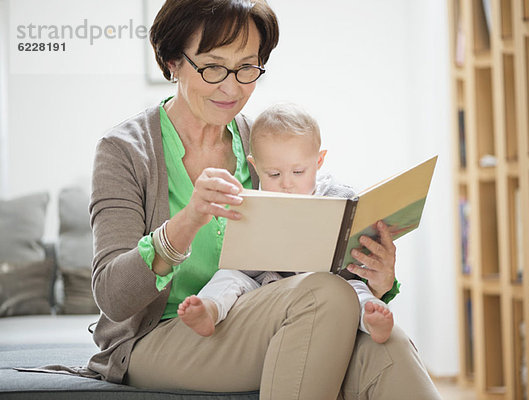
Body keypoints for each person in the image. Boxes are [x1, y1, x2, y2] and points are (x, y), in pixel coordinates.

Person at [87, 0, 442, 398]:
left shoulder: (266, 143)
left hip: (269, 317)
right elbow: (113, 298)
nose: (232, 86)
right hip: (159, 338)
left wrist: (378, 278)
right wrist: (187, 222)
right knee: (323, 295)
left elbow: (316, 236)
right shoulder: (125, 151)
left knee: (386, 343)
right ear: (172, 60)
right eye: (213, 66)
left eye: (246, 68)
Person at [177, 103, 395, 344]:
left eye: (299, 172)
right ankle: (211, 308)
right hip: (267, 288)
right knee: (228, 277)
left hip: (332, 288)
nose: (287, 184)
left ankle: (371, 318)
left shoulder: (339, 196)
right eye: (274, 174)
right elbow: (241, 260)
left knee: (355, 290)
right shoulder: (251, 201)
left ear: (319, 161)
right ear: (255, 166)